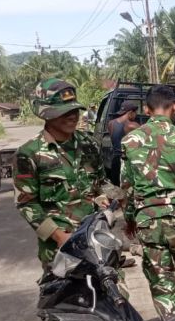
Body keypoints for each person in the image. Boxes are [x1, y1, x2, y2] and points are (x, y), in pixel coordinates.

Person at [121, 85, 175, 318]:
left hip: (147, 221)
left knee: (160, 278)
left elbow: (127, 186)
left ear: (146, 110)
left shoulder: (130, 140)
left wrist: (130, 219)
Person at [13, 78, 107, 268]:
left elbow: (101, 183)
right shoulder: (29, 154)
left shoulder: (89, 144)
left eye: (74, 110)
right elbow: (26, 204)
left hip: (96, 240)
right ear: (45, 114)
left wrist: (106, 198)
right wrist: (58, 236)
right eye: (64, 112)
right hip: (58, 250)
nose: (72, 116)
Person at [107, 100, 140, 184]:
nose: (136, 115)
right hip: (126, 161)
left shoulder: (111, 123)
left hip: (115, 160)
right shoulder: (133, 125)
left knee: (116, 186)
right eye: (135, 113)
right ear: (130, 112)